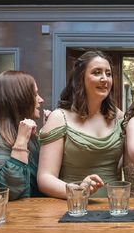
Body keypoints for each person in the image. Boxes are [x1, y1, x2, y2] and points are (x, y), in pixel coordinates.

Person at [38, 51, 123, 199]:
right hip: (73, 207)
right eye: (97, 73)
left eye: (108, 74)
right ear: (80, 78)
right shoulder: (59, 117)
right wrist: (78, 191)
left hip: (114, 205)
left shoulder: (118, 116)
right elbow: (45, 178)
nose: (105, 79)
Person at [0, 71, 44, 200]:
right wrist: (21, 142)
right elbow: (5, 193)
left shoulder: (27, 137)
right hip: (14, 218)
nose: (41, 99)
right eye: (35, 94)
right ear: (19, 99)